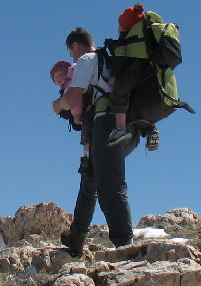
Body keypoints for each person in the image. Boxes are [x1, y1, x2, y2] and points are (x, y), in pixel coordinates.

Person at [53, 27, 139, 257]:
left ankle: (125, 247)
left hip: (107, 122)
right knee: (90, 178)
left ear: (77, 47)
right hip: (130, 125)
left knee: (110, 185)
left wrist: (57, 105)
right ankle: (76, 237)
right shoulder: (110, 60)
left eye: (71, 54)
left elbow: (71, 99)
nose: (72, 58)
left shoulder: (87, 60)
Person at [106, 3, 158, 147]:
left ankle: (120, 129)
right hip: (149, 73)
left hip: (135, 71)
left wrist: (114, 77)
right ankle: (151, 130)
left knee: (118, 95)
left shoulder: (126, 39)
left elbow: (120, 59)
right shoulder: (145, 38)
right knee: (139, 103)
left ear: (124, 26)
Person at [51, 60, 92, 175]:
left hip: (85, 114)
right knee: (86, 138)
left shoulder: (70, 84)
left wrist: (76, 115)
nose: (58, 78)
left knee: (86, 138)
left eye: (61, 74)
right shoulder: (66, 86)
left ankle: (86, 159)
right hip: (86, 113)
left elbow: (76, 101)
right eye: (55, 76)